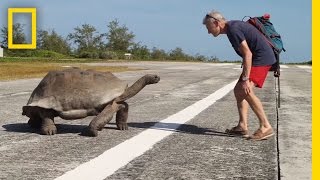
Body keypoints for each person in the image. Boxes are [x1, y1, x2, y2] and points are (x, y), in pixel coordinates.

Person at [202, 10, 275, 140]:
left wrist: (246, 79)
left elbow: (248, 54)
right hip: (258, 58)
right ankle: (242, 126)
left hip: (261, 58)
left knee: (244, 89)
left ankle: (266, 126)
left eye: (209, 28)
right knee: (238, 90)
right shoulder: (232, 28)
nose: (208, 32)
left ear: (217, 23)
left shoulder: (233, 29)